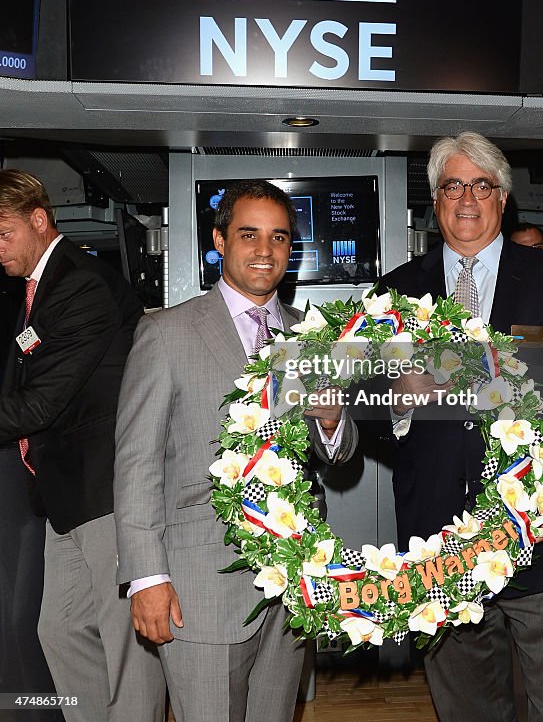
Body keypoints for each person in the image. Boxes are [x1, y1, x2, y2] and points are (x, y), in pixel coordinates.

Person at [380, 133, 543, 722]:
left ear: (503, 198)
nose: (467, 198)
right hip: (439, 550)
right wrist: (398, 404)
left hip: (541, 544)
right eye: (453, 185)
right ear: (435, 201)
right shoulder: (394, 292)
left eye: (481, 185)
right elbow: (368, 415)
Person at [114, 179, 358, 722]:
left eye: (279, 238)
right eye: (249, 235)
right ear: (220, 241)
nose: (265, 250)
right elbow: (137, 463)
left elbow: (338, 455)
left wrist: (333, 419)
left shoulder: (309, 338)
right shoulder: (166, 333)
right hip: (199, 581)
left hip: (292, 584)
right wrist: (147, 578)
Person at [0, 170, 166, 722]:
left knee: (128, 652)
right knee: (61, 629)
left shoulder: (81, 285)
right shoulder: (38, 289)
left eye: (2, 232)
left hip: (106, 490)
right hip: (65, 493)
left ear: (39, 220)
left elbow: (40, 405)